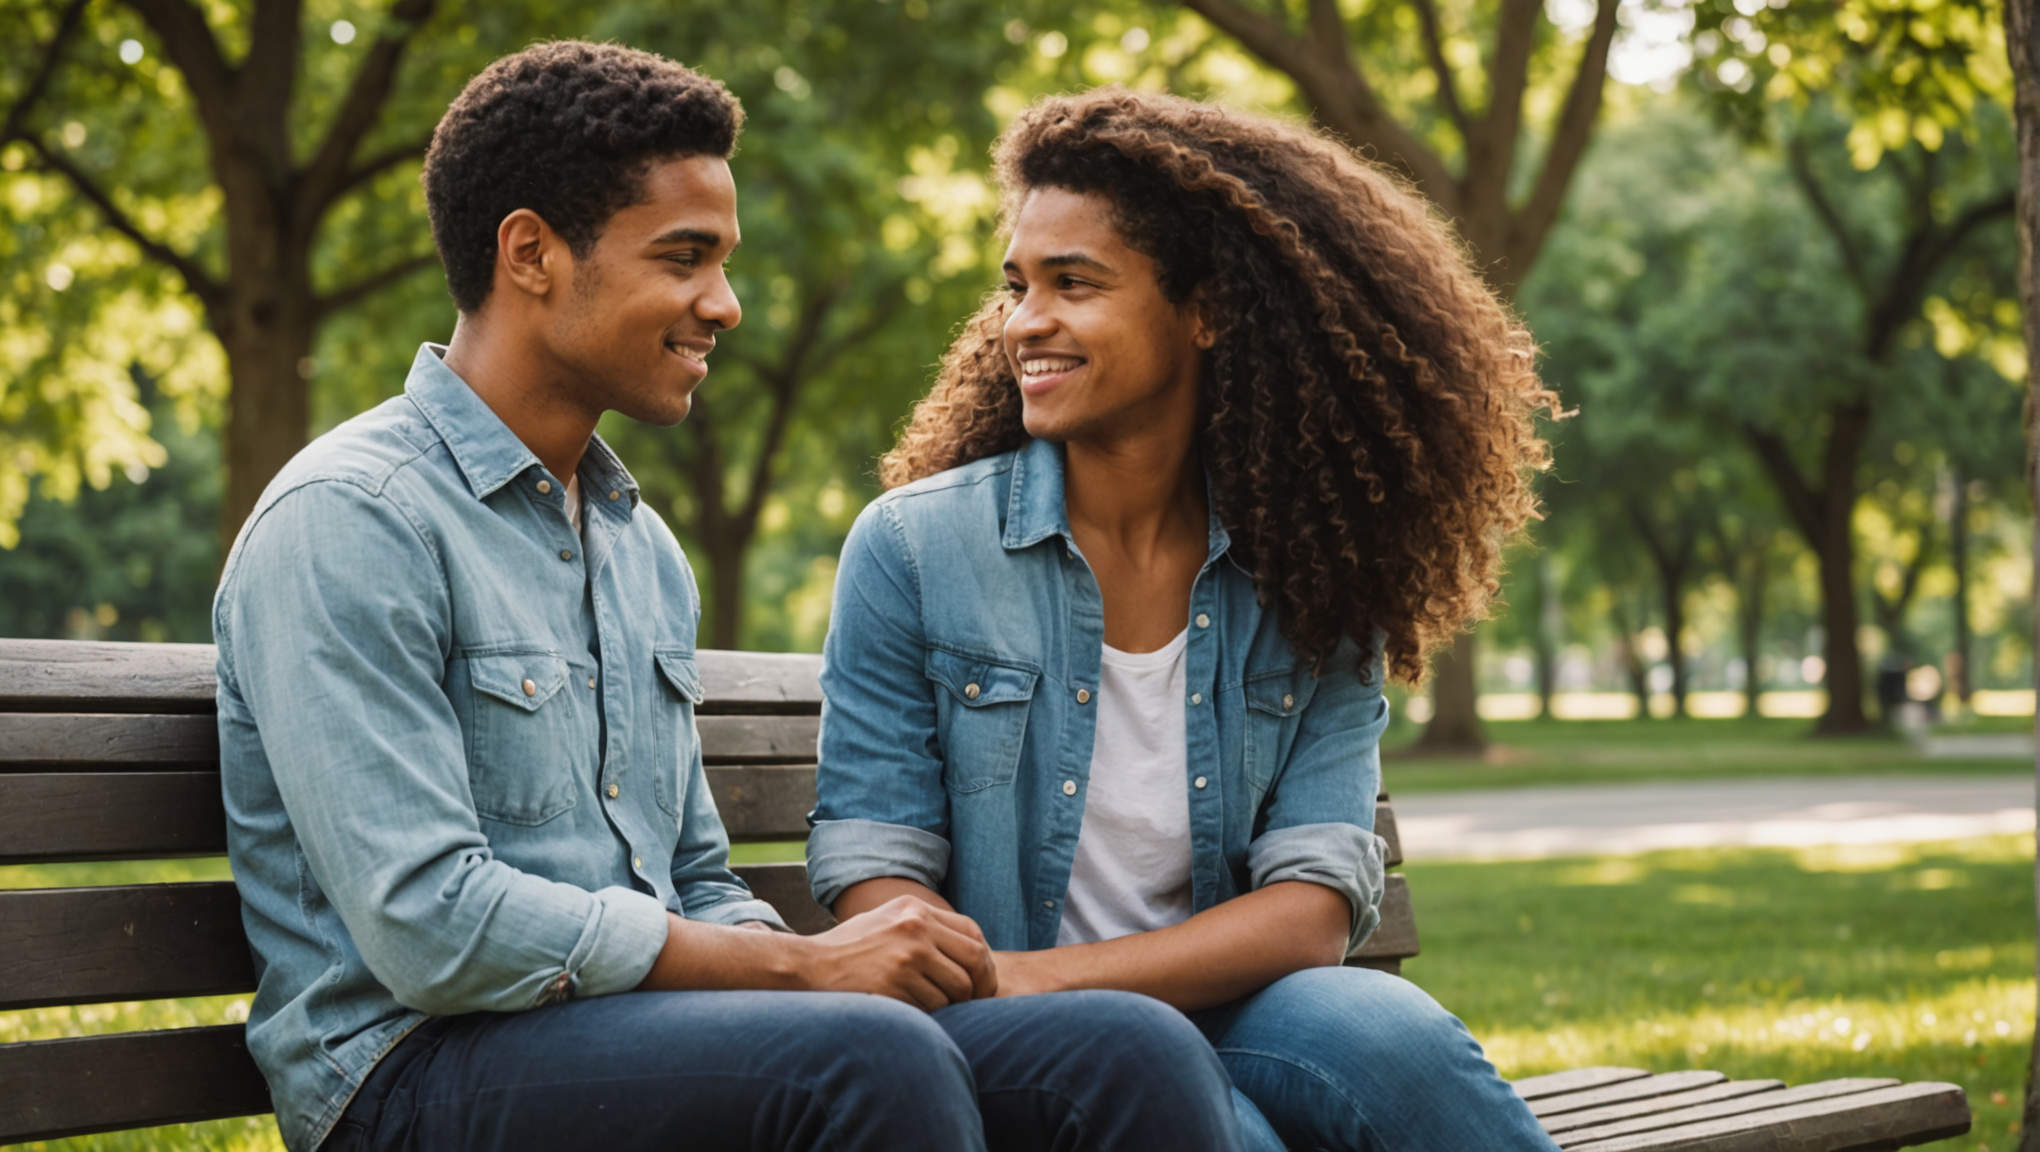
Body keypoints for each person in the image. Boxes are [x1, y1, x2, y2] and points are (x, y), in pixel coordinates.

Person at [215, 46, 1248, 1152]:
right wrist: (799, 966)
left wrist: (821, 975)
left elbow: (694, 878)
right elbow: (431, 928)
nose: (727, 304)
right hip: (407, 1074)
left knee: (1120, 1047)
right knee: (865, 1062)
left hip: (639, 1033)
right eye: (685, 258)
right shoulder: (355, 519)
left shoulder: (637, 546)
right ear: (532, 255)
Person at [809, 88, 1563, 1151]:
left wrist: (1053, 976)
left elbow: (1311, 908)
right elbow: (872, 871)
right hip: (1004, 1036)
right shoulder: (915, 551)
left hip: (1221, 1005)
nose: (1026, 321)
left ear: (1205, 309)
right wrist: (1009, 991)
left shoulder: (1315, 572)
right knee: (1212, 1118)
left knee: (1394, 1031)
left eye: (1075, 285)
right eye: (1016, 286)